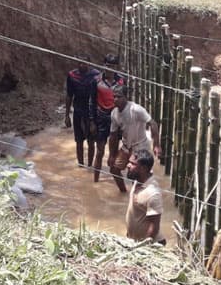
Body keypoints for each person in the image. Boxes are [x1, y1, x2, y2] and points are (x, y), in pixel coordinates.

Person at [107, 86, 160, 193]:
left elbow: (153, 124)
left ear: (126, 97)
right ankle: (124, 193)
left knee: (137, 175)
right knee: (114, 169)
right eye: (114, 96)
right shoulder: (114, 113)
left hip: (140, 146)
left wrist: (156, 145)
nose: (116, 99)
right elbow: (113, 136)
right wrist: (111, 155)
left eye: (119, 96)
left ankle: (138, 196)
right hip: (126, 147)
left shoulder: (136, 109)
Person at [92, 54, 124, 182]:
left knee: (114, 153)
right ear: (104, 65)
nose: (110, 69)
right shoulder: (96, 80)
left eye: (113, 66)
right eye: (108, 66)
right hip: (101, 118)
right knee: (99, 151)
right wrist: (92, 121)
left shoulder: (122, 81)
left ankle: (115, 180)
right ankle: (95, 181)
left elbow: (125, 101)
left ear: (117, 67)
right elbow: (92, 102)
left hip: (117, 119)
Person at [64, 57, 100, 167]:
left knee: (91, 141)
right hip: (78, 111)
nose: (81, 65)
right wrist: (66, 115)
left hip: (91, 112)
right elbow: (69, 95)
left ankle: (90, 166)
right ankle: (80, 165)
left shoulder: (96, 75)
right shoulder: (72, 76)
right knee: (79, 140)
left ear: (88, 64)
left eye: (84, 63)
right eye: (79, 63)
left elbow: (100, 95)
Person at [125, 148, 165, 244]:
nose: (128, 165)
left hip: (150, 244)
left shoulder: (152, 193)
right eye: (129, 162)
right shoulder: (137, 180)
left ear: (143, 168)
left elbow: (154, 227)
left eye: (133, 164)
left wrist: (143, 247)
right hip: (134, 241)